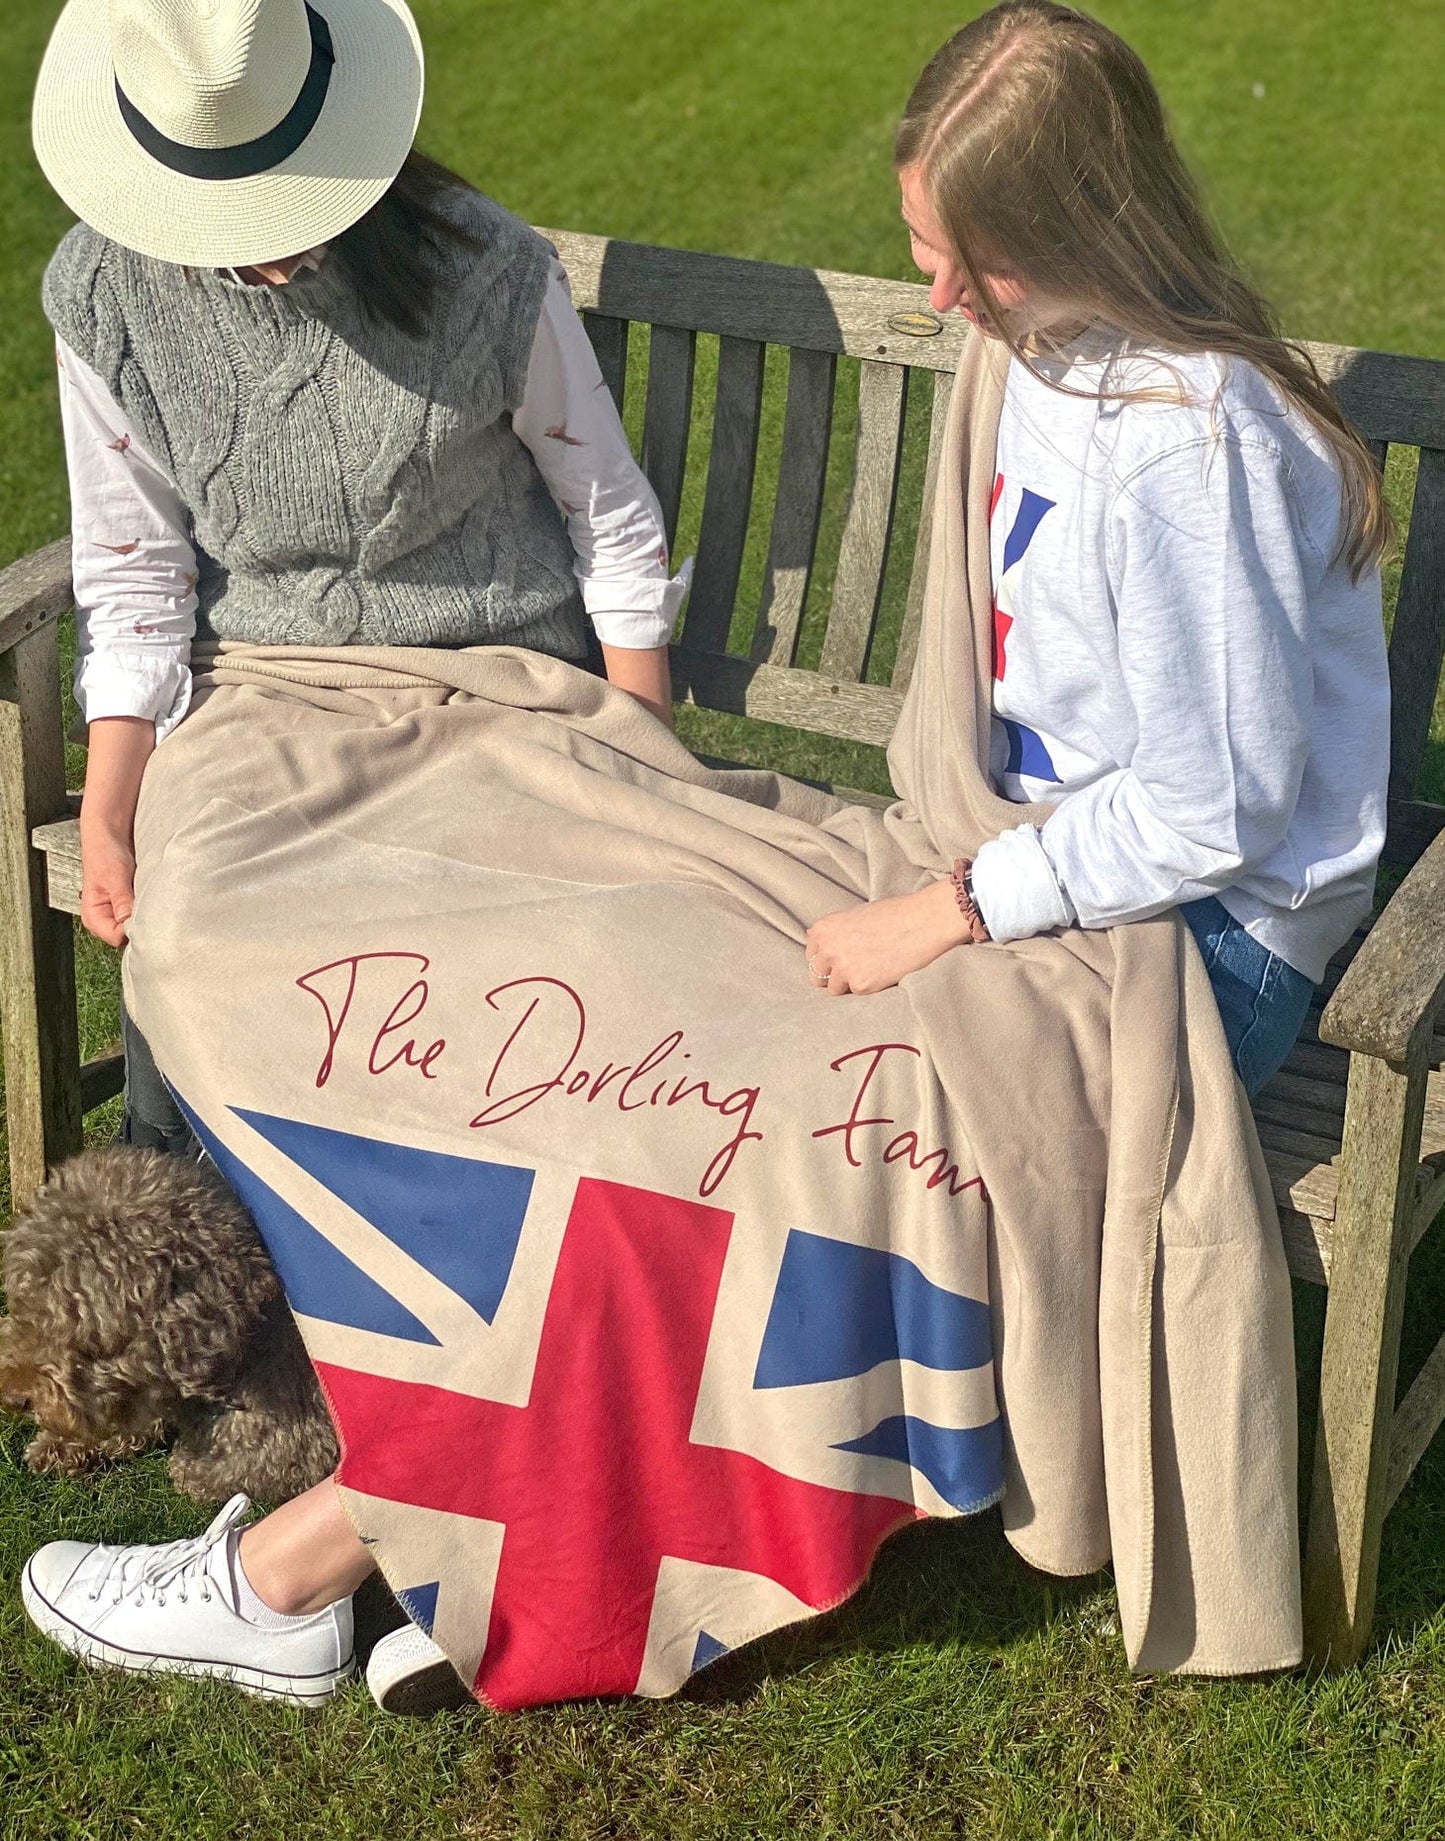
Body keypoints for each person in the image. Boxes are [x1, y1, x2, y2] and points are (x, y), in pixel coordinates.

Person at [20, 0, 684, 1712]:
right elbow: (141, 577)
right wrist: (111, 799)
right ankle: (310, 1410)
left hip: (501, 685)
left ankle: (413, 1495)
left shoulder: (486, 267)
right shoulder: (101, 293)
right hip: (271, 699)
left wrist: (643, 750)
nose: (248, 261)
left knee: (518, 994)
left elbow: (606, 515)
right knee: (204, 939)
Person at [803, 0, 1390, 1110]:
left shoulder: (1186, 450)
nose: (937, 297)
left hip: (1213, 927)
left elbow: (1216, 811)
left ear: (1087, 229)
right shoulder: (1040, 336)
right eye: (922, 244)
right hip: (1043, 842)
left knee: (868, 1105)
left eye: (976, 261)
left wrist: (954, 908)